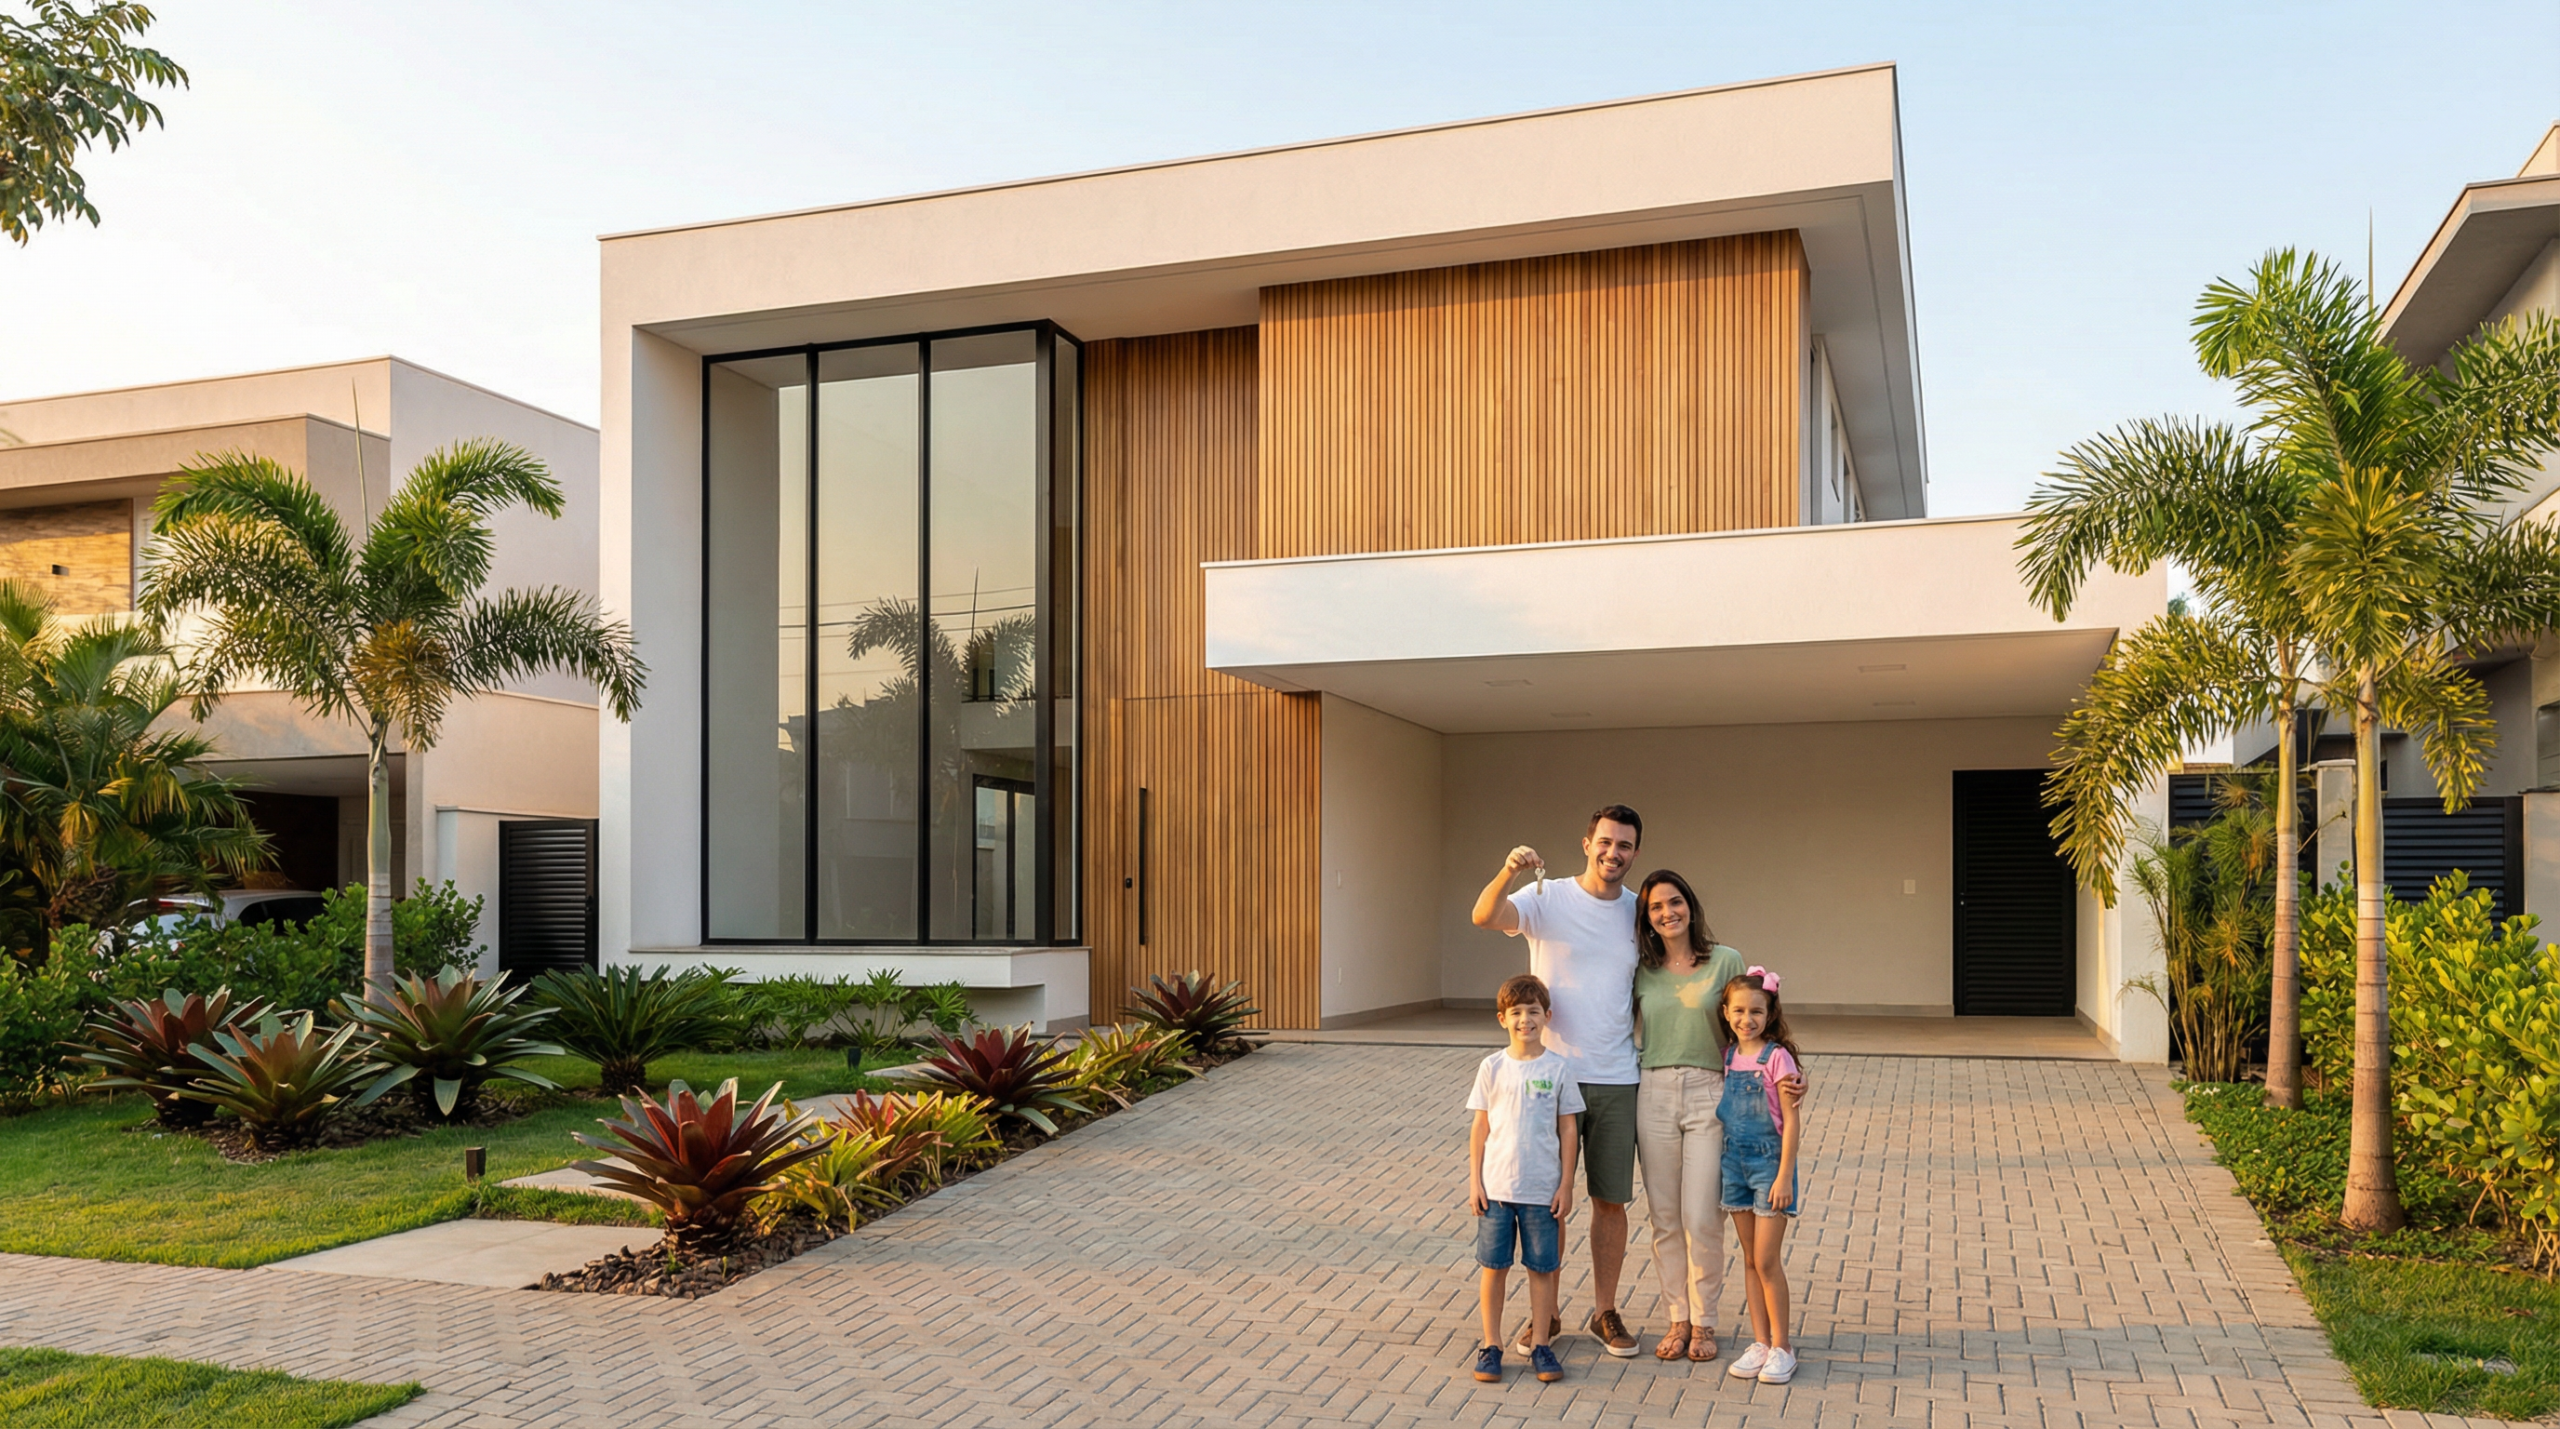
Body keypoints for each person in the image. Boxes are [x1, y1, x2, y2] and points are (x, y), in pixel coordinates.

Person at [1469, 804, 1647, 1359]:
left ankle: (1604, 1311)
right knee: (1552, 1202)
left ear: (1635, 852)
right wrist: (1509, 871)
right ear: (1587, 842)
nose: (1613, 853)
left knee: (1609, 1201)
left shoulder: (1640, 912)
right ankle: (1544, 1316)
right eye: (1605, 842)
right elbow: (1483, 915)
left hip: (1617, 1075)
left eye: (1624, 846)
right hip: (1549, 1075)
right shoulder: (1549, 898)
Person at [1629, 869, 1746, 1363]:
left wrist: (1783, 1074)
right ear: (1648, 919)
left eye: (1675, 903)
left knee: (1703, 1217)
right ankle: (1678, 1319)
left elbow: (1753, 1023)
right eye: (1656, 908)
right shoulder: (1641, 968)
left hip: (1709, 1093)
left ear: (1690, 907)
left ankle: (1706, 1322)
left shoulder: (1725, 961)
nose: (1667, 913)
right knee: (1665, 1218)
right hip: (1652, 1091)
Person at [1466, 973, 1583, 1385]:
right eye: (1516, 1012)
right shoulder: (1492, 1067)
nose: (1525, 1020)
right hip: (1496, 1191)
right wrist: (1474, 1182)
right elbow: (1480, 1128)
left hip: (1542, 1192)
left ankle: (1541, 1344)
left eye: (1533, 1012)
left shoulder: (1558, 1068)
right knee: (1493, 1268)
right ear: (1502, 1018)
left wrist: (1566, 1184)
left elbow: (1568, 1129)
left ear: (1547, 1016)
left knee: (1542, 1269)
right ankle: (1491, 1343)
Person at [1719, 966, 1805, 1386]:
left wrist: (1784, 1176)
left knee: (1768, 1261)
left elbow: (1791, 1122)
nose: (1746, 1019)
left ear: (1769, 1015)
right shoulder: (1729, 1055)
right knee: (1750, 1259)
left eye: (1756, 1011)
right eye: (1738, 1010)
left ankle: (1783, 1346)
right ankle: (1759, 1342)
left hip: (1770, 1167)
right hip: (1733, 1165)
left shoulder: (1778, 1057)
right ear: (1725, 1011)